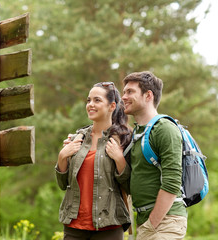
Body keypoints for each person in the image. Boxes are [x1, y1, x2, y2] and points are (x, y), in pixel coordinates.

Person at [55, 82, 132, 240]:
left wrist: (120, 160)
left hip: (109, 225)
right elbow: (63, 184)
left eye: (97, 100)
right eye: (88, 100)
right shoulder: (79, 138)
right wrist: (62, 156)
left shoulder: (123, 139)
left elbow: (130, 187)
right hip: (74, 225)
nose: (90, 104)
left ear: (111, 106)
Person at [121, 71, 187, 240]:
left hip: (165, 222)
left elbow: (172, 182)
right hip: (146, 222)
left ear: (148, 95)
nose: (124, 97)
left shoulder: (165, 128)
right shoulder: (137, 133)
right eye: (124, 92)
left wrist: (152, 223)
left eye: (130, 92)